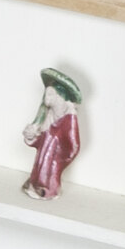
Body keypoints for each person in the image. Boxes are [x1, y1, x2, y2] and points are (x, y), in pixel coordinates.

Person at [22, 67, 83, 200]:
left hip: (51, 170)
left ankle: (48, 189)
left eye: (50, 94)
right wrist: (31, 136)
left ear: (59, 97)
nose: (46, 97)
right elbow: (40, 142)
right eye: (46, 94)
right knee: (37, 178)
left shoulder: (69, 119)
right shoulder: (48, 116)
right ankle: (34, 185)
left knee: (47, 182)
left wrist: (57, 161)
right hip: (40, 166)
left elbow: (74, 146)